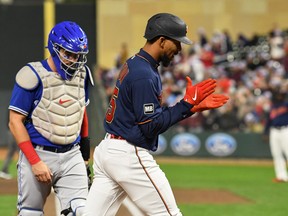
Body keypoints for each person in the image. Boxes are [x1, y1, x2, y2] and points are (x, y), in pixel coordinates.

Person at [84, 13, 229, 216]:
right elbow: (150, 125)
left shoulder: (136, 62)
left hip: (108, 150)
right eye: (176, 43)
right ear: (161, 40)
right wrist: (187, 104)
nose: (179, 49)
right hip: (128, 154)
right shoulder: (144, 73)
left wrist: (190, 108)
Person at [8, 21, 93, 216]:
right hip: (39, 154)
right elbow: (15, 121)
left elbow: (80, 113)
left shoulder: (83, 75)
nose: (74, 60)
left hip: (72, 155)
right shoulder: (31, 75)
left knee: (82, 211)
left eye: (78, 55)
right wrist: (35, 161)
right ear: (54, 48)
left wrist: (85, 156)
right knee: (31, 213)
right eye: (68, 54)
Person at [264, 90, 288, 183]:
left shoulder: (286, 104)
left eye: (281, 95)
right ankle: (281, 176)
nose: (279, 97)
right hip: (274, 131)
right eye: (278, 95)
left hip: (285, 130)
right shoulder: (272, 107)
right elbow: (269, 121)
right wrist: (266, 132)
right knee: (276, 154)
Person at [0, 112, 18, 180]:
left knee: (11, 153)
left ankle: (3, 170)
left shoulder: (11, 107)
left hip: (11, 132)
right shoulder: (16, 107)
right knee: (21, 153)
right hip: (15, 132)